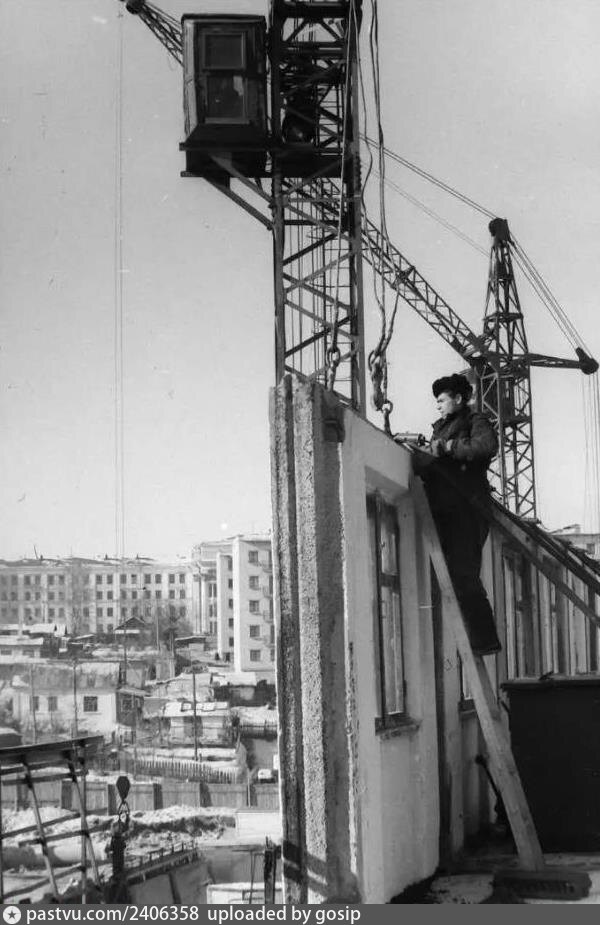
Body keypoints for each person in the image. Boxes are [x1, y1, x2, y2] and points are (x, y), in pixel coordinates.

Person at [415, 373, 502, 656]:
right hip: (445, 511)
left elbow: (486, 447)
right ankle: (472, 637)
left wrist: (450, 447)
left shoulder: (475, 421)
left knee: (465, 575)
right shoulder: (439, 428)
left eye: (442, 400)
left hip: (467, 509)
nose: (437, 405)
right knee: (450, 577)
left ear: (459, 399)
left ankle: (485, 641)